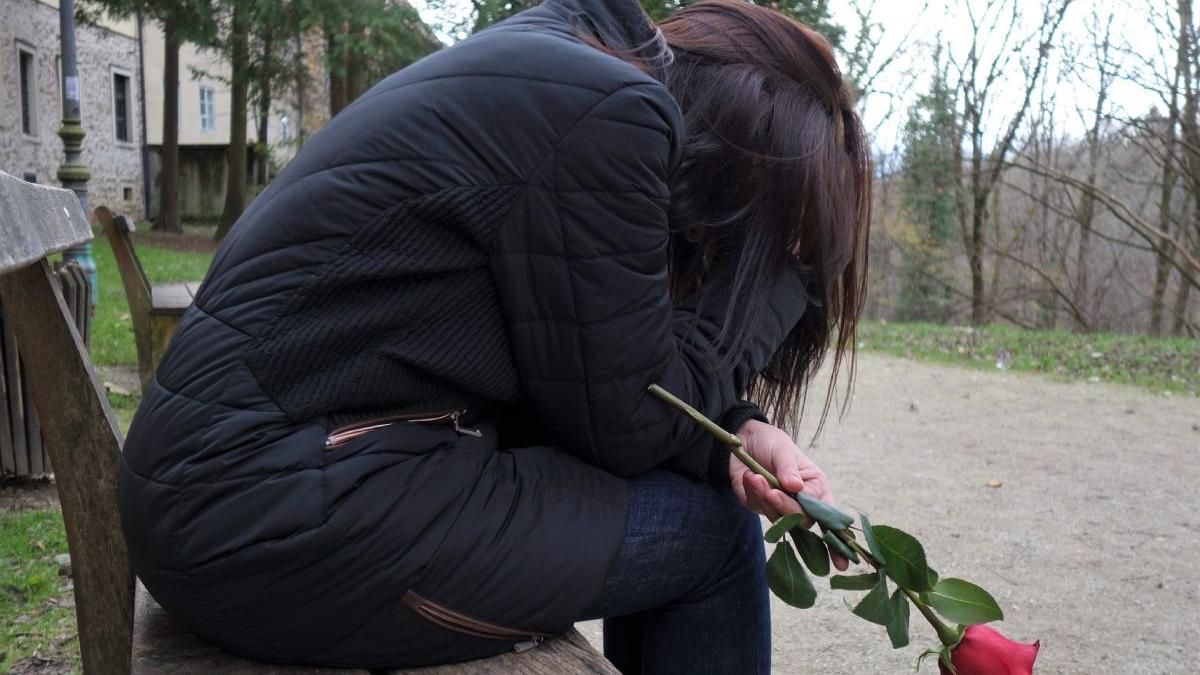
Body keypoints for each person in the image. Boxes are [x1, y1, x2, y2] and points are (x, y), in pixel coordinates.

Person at [116, 0, 871, 672]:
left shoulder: (572, 65)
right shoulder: (611, 116)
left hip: (233, 493)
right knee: (711, 538)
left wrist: (739, 431)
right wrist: (787, 282)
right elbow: (628, 428)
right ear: (738, 173)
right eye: (769, 238)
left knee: (687, 514)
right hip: (270, 519)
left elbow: (581, 369)